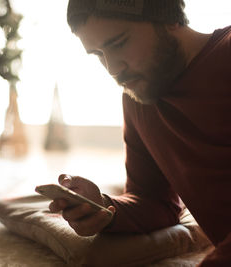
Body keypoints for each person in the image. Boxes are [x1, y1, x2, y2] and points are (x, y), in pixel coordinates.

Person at [49, 0, 231, 266]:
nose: (112, 68)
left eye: (119, 42)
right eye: (98, 54)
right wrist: (101, 207)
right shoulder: (138, 99)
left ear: (169, 18)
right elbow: (154, 202)